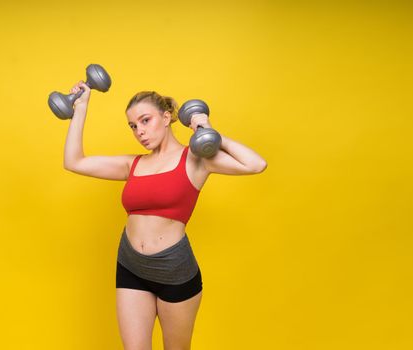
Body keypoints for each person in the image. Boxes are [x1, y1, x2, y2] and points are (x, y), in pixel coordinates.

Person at [63, 80, 267, 350]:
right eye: (133, 126)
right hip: (130, 265)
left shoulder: (196, 159)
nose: (140, 132)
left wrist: (207, 130)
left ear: (167, 116)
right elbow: (74, 161)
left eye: (145, 120)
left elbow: (255, 164)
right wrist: (81, 107)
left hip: (174, 271)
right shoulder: (132, 163)